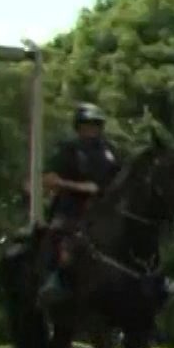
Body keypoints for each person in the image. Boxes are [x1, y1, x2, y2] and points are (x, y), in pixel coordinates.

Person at [37, 103, 124, 308]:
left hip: (104, 210)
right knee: (57, 233)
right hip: (71, 209)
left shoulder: (110, 151)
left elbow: (122, 176)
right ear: (79, 126)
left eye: (96, 124)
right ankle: (54, 278)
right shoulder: (67, 148)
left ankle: (153, 281)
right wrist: (80, 187)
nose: (92, 129)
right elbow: (49, 179)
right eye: (87, 124)